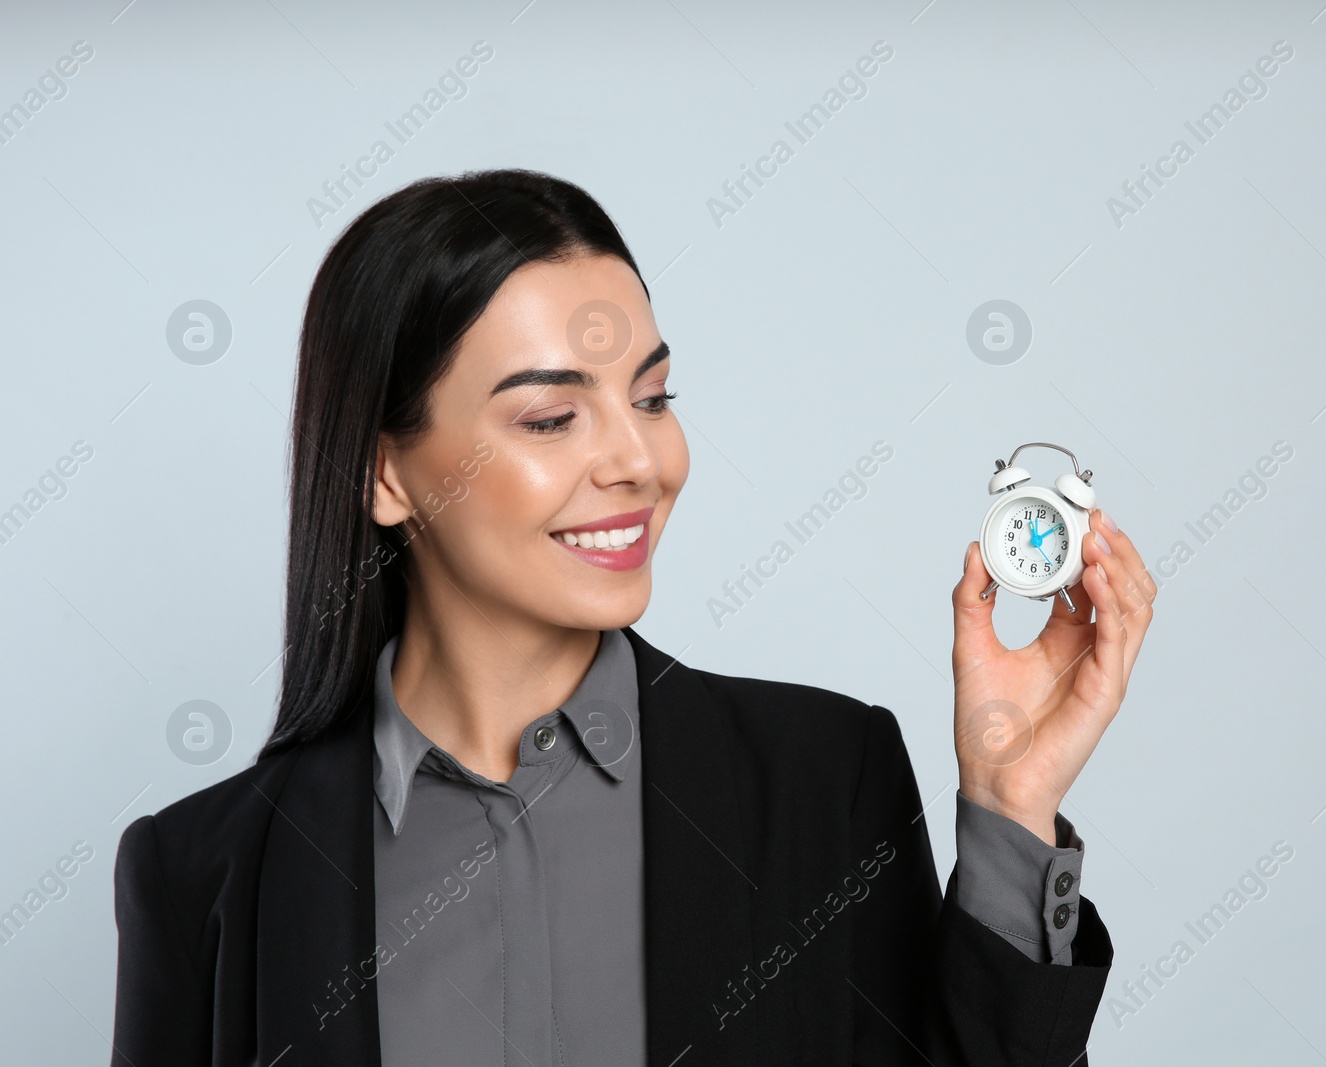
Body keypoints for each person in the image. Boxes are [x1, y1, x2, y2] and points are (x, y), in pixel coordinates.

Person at [109, 168, 1157, 1066]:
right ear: (385, 473)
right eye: (552, 416)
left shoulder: (820, 782)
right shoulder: (205, 871)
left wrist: (1012, 805)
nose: (640, 462)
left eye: (651, 397)